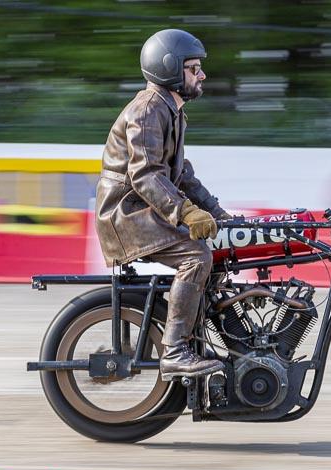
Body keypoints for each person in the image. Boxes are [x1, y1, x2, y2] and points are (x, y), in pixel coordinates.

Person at [95, 29, 230, 380]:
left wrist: (218, 214)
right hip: (125, 214)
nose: (201, 75)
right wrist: (185, 211)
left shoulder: (171, 111)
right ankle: (174, 352)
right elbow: (146, 176)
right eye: (193, 68)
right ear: (169, 69)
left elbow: (182, 175)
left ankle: (198, 335)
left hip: (142, 210)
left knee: (218, 251)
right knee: (195, 256)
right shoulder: (147, 111)